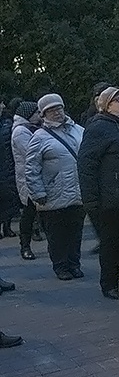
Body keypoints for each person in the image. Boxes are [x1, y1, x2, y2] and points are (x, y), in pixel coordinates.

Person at [77, 87, 119, 299]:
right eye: (117, 100)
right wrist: (91, 200)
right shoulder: (99, 127)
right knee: (111, 243)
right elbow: (87, 165)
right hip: (109, 199)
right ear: (106, 105)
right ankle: (109, 283)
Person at [25, 94, 86, 281]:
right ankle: (61, 266)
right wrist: (38, 193)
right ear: (44, 114)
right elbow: (31, 168)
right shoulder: (39, 137)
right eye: (51, 110)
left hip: (77, 192)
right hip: (53, 195)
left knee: (75, 232)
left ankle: (74, 264)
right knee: (57, 235)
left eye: (59, 108)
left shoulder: (78, 130)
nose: (57, 112)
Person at [11, 101, 41, 259]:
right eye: (36, 113)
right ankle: (25, 246)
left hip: (35, 177)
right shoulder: (21, 132)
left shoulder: (32, 128)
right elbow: (32, 152)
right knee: (29, 213)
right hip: (28, 179)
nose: (39, 116)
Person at [0, 101, 20, 240]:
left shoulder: (7, 122)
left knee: (9, 197)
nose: (2, 105)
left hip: (7, 164)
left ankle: (6, 226)